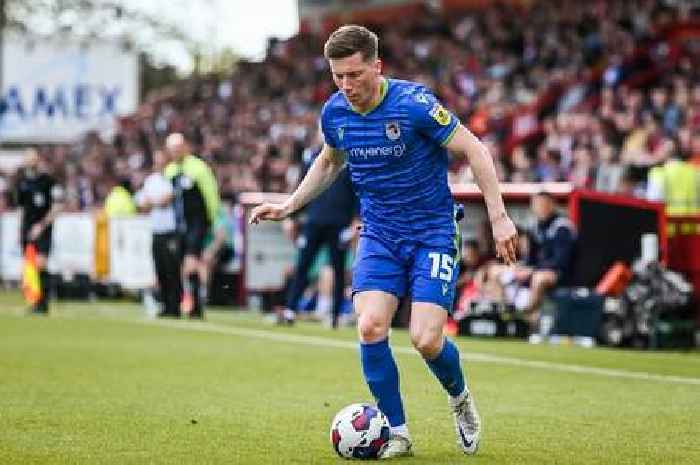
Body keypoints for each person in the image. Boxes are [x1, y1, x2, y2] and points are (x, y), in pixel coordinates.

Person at [250, 25, 517, 458]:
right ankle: (397, 431)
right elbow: (328, 162)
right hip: (379, 235)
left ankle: (460, 398)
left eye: (355, 74)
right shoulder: (334, 113)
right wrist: (288, 205)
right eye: (338, 76)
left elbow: (474, 149)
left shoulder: (414, 105)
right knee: (371, 325)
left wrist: (500, 217)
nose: (346, 85)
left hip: (432, 233)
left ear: (376, 66)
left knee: (426, 339)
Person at [279, 131, 358, 327]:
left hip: (339, 223)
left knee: (338, 270)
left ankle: (334, 315)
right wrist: (292, 217)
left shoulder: (351, 159)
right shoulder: (312, 158)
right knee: (302, 267)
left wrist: (353, 224)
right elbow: (303, 188)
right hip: (314, 221)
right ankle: (290, 309)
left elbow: (357, 192)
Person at [505, 192, 576, 340]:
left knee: (539, 278)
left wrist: (532, 270)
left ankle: (525, 317)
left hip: (561, 274)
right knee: (497, 271)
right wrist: (521, 268)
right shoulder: (535, 227)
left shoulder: (562, 227)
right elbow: (530, 258)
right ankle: (504, 314)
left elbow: (561, 261)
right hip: (538, 270)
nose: (539, 208)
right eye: (536, 205)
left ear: (551, 205)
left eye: (542, 204)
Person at [164, 133, 220, 319]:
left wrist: (211, 220)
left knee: (191, 262)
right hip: (179, 224)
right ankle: (189, 302)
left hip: (197, 222)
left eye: (178, 147)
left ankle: (196, 302)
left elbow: (210, 194)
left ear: (185, 147)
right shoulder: (170, 171)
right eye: (172, 148)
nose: (175, 151)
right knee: (181, 264)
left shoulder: (197, 168)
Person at [15, 148, 64, 314]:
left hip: (43, 229)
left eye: (33, 158)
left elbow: (57, 206)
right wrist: (19, 229)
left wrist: (41, 225)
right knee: (30, 268)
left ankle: (44, 302)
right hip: (27, 230)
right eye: (28, 158)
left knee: (40, 264)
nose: (30, 161)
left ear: (38, 160)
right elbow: (21, 208)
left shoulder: (48, 181)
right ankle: (35, 303)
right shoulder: (22, 182)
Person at [135, 149, 182, 318]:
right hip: (156, 230)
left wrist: (154, 202)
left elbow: (166, 200)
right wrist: (156, 201)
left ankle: (175, 305)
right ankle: (165, 304)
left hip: (170, 230)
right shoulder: (151, 180)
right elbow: (143, 204)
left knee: (172, 269)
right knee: (160, 268)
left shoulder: (171, 178)